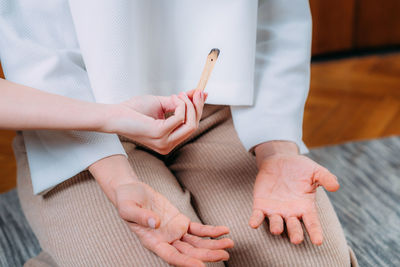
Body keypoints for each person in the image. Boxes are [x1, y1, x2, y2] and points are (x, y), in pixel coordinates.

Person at [0, 0, 358, 266]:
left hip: (225, 113)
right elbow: (37, 53)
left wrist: (277, 150)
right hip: (81, 125)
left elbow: (278, 18)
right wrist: (118, 178)